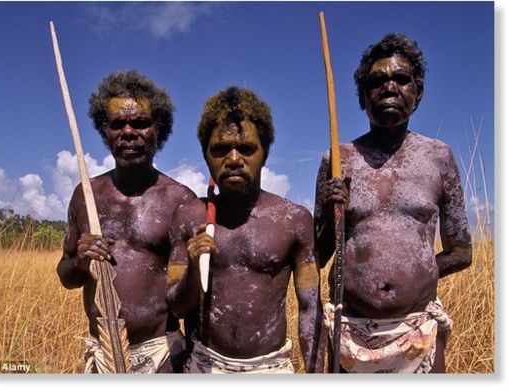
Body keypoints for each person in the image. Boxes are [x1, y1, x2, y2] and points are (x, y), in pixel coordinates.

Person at [315, 33, 472, 373]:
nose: (389, 87)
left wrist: (416, 272)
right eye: (377, 81)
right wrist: (330, 211)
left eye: (401, 79)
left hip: (418, 328)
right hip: (351, 329)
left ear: (418, 92)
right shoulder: (338, 159)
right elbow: (319, 253)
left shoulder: (438, 157)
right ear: (362, 96)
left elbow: (462, 251)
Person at [166, 86, 324, 373]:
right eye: (220, 149)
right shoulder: (188, 217)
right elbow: (176, 308)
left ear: (264, 153)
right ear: (205, 155)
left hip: (270, 368)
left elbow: (310, 309)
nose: (235, 159)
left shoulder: (293, 220)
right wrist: (192, 266)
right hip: (205, 364)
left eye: (247, 148)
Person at [56, 70, 196, 373]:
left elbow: (192, 297)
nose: (128, 132)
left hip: (162, 356)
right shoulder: (86, 194)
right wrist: (80, 260)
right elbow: (66, 276)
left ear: (159, 129)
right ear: (104, 131)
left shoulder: (179, 199)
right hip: (103, 355)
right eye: (117, 124)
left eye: (141, 123)